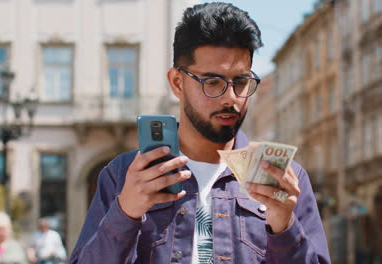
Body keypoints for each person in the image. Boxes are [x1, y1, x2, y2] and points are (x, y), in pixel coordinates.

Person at [70, 2, 330, 263]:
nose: (231, 98)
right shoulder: (123, 175)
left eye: (241, 82)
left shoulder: (287, 178)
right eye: (212, 82)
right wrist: (125, 213)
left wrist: (284, 227)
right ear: (177, 82)